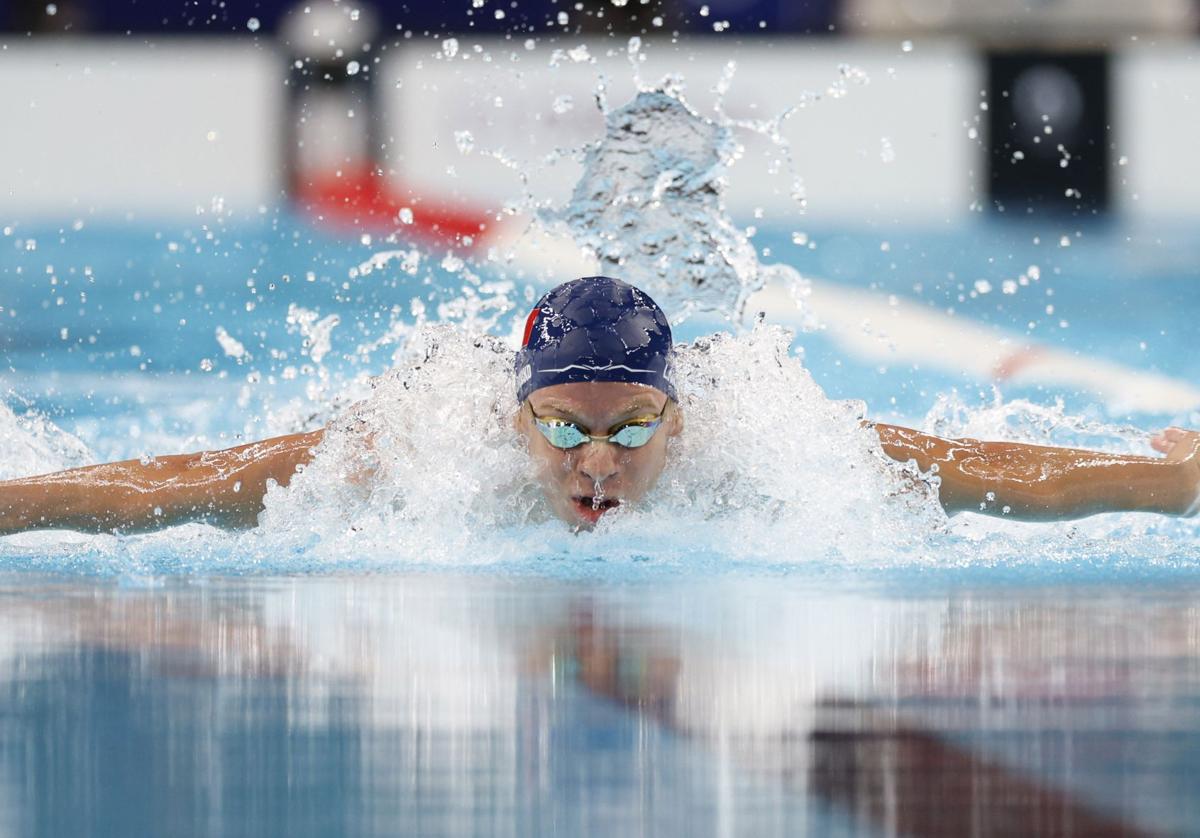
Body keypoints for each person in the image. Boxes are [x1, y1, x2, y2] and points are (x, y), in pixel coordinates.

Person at [0, 276, 1197, 535]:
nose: (599, 466)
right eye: (565, 430)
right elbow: (185, 480)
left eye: (631, 431)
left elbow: (986, 467)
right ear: (517, 419)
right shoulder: (430, 443)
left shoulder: (760, 433)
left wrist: (1182, 480)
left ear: (676, 419)